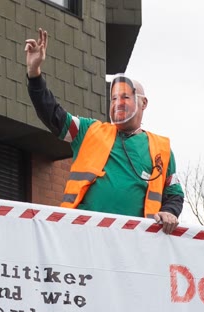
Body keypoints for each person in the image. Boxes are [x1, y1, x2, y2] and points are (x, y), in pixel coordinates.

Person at [23, 29, 183, 227]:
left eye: (125, 97)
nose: (118, 103)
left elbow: (174, 193)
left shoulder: (161, 149)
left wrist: (169, 212)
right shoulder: (89, 131)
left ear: (144, 103)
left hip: (135, 237)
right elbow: (52, 114)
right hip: (82, 231)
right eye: (114, 98)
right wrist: (34, 74)